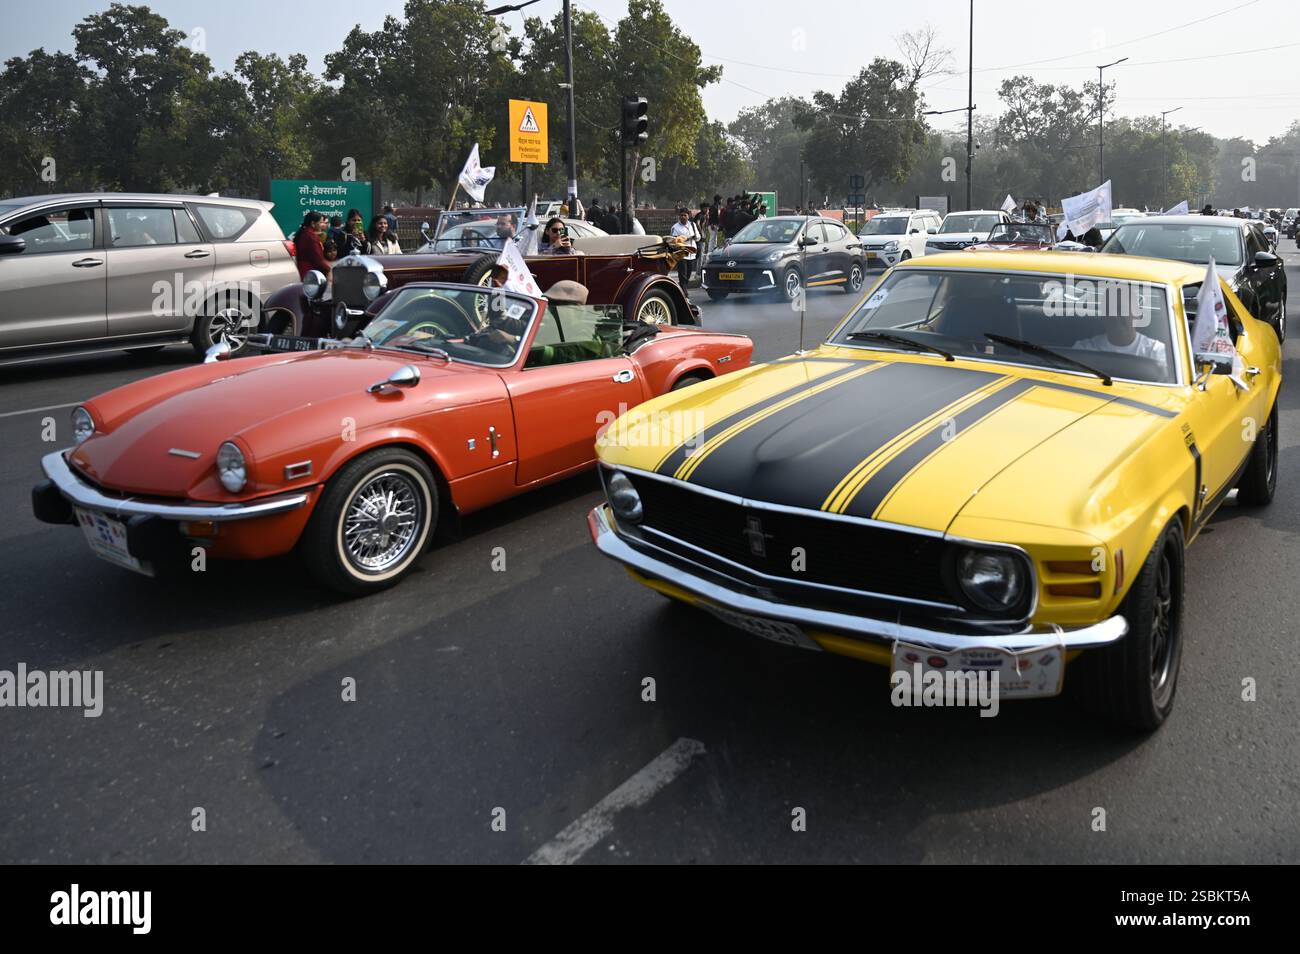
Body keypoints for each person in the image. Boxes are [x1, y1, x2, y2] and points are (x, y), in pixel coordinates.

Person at [1073, 308, 1167, 368]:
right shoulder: (1084, 350)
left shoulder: (1156, 352)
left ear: (1137, 316)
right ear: (1103, 317)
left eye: (1123, 310)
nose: (1116, 317)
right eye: (1110, 311)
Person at [293, 211, 331, 280]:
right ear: (313, 223)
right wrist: (328, 270)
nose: (322, 225)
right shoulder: (311, 237)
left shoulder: (304, 233)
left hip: (303, 271)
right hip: (310, 273)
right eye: (320, 222)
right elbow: (317, 260)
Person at [670, 208, 698, 287]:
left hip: (691, 253)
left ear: (688, 216)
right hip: (681, 254)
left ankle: (683, 288)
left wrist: (695, 237)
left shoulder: (693, 225)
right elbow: (674, 240)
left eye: (685, 215)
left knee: (688, 274)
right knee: (682, 275)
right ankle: (684, 292)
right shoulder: (675, 227)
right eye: (681, 215)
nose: (683, 217)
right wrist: (687, 238)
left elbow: (698, 237)